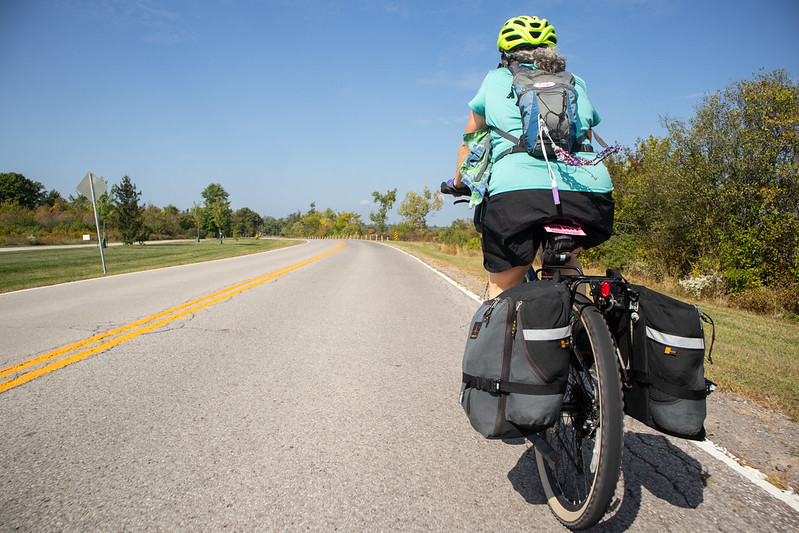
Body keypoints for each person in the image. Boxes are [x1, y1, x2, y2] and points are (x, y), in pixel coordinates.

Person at [453, 15, 615, 299]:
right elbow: (584, 136)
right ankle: (587, 329)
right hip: (589, 193)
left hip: (519, 194)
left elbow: (470, 144)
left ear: (506, 53)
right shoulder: (575, 83)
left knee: (504, 282)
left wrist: (459, 183)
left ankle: (497, 338)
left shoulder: (495, 80)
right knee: (565, 264)